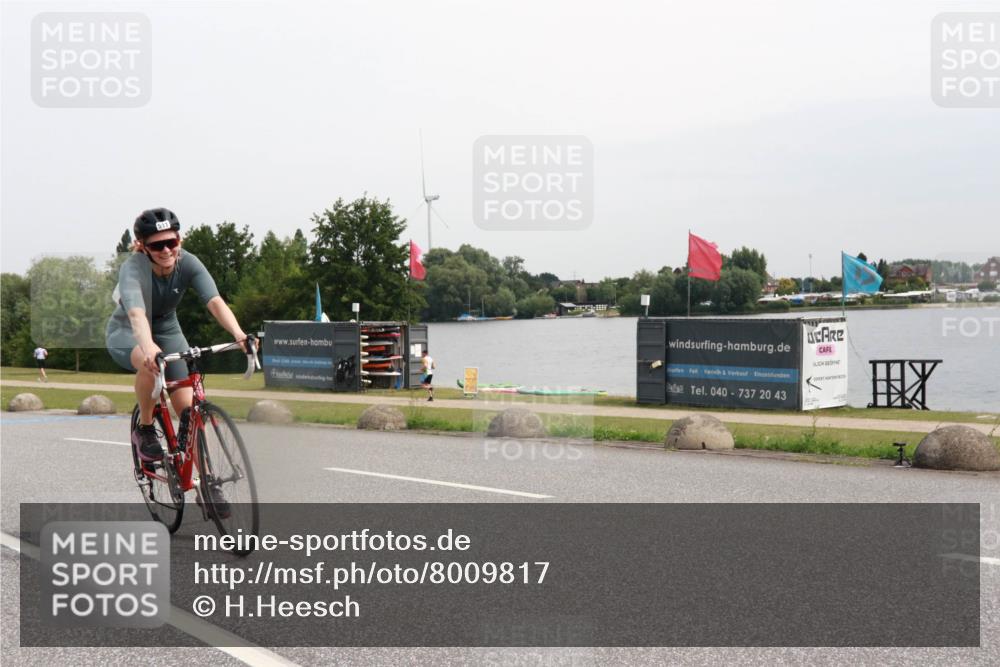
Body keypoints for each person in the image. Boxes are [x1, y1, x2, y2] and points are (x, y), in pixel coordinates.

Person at [105, 208, 248, 510]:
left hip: (168, 329)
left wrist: (239, 334)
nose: (167, 250)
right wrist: (149, 348)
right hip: (128, 331)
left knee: (189, 411)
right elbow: (136, 314)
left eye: (172, 242)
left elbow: (215, 301)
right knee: (150, 364)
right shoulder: (133, 269)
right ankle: (145, 428)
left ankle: (207, 483)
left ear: (179, 240)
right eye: (157, 245)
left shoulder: (189, 262)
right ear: (142, 246)